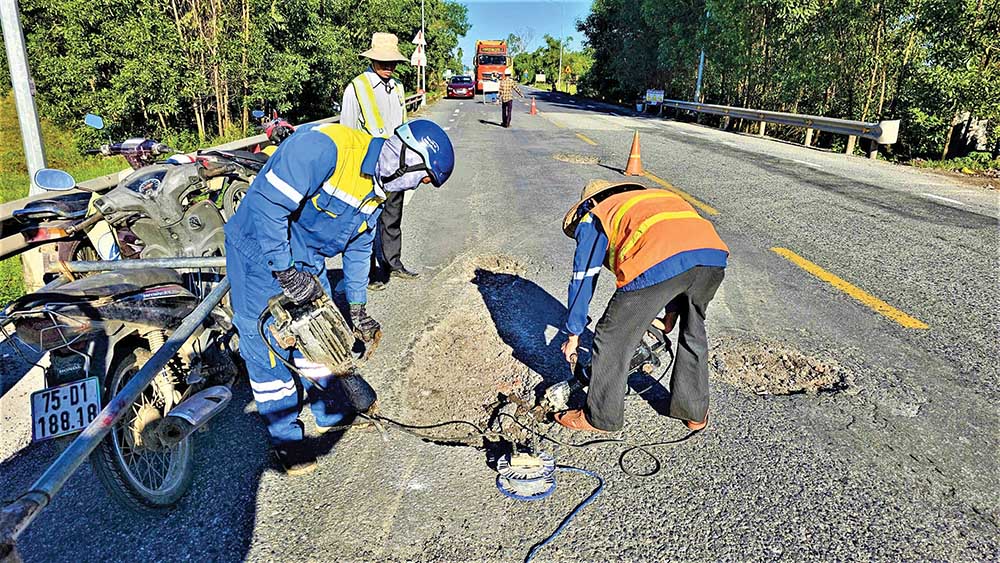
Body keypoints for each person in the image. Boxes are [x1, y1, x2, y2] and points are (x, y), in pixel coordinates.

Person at [224, 119, 455, 474]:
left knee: (322, 338)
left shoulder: (378, 190)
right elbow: (268, 207)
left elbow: (360, 249)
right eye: (423, 177)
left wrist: (359, 308)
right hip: (259, 251)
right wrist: (284, 272)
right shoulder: (327, 149)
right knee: (267, 348)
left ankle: (327, 411)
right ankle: (287, 440)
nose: (419, 185)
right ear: (407, 156)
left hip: (307, 261)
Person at [554, 180, 729, 434]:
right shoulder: (653, 201)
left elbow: (584, 278)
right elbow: (678, 251)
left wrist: (573, 334)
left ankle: (600, 418)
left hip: (659, 260)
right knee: (694, 332)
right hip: (713, 258)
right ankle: (695, 412)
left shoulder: (597, 215)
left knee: (611, 336)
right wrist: (670, 317)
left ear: (591, 202)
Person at [340, 32, 418, 290]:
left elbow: (403, 126)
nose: (388, 67)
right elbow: (347, 130)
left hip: (395, 164)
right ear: (372, 59)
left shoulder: (398, 88)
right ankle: (369, 272)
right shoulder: (357, 87)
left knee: (393, 216)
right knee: (366, 220)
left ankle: (392, 263)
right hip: (367, 164)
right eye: (383, 61)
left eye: (392, 62)